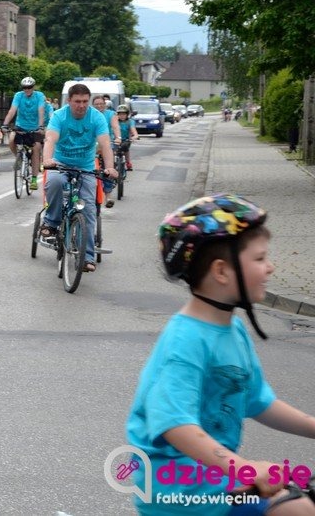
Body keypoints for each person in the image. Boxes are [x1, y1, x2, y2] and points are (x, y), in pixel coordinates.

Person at [126, 194, 315, 515]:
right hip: (176, 487)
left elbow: (259, 401)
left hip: (210, 476)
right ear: (222, 272)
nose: (270, 268)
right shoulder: (185, 339)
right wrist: (244, 468)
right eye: (259, 259)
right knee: (295, 509)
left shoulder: (233, 330)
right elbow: (175, 424)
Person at [40, 83, 117, 273]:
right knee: (55, 182)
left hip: (85, 167)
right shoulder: (59, 116)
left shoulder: (96, 117)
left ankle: (87, 257)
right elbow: (50, 139)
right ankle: (51, 221)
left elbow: (105, 143)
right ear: (69, 101)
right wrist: (47, 160)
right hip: (60, 163)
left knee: (89, 209)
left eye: (85, 101)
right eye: (77, 101)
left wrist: (110, 168)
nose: (81, 105)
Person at [2, 76, 46, 191]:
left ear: (33, 87)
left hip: (35, 128)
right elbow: (12, 110)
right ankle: (19, 157)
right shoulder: (18, 95)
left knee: (36, 148)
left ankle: (34, 179)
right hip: (20, 125)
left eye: (29, 87)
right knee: (11, 140)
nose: (27, 90)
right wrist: (5, 124)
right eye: (25, 88)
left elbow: (41, 111)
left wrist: (41, 126)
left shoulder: (39, 96)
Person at [93, 95, 120, 208]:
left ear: (105, 104)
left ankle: (108, 196)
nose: (99, 106)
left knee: (108, 169)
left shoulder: (111, 114)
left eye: (101, 103)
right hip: (91, 146)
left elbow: (115, 126)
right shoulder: (90, 114)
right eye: (96, 104)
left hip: (106, 145)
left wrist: (118, 137)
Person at [115, 104, 138, 170]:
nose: (122, 116)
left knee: (125, 149)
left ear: (127, 114)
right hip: (115, 140)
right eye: (120, 114)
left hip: (126, 140)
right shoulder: (115, 121)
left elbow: (133, 130)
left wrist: (135, 136)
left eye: (124, 114)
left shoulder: (130, 122)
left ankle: (128, 163)